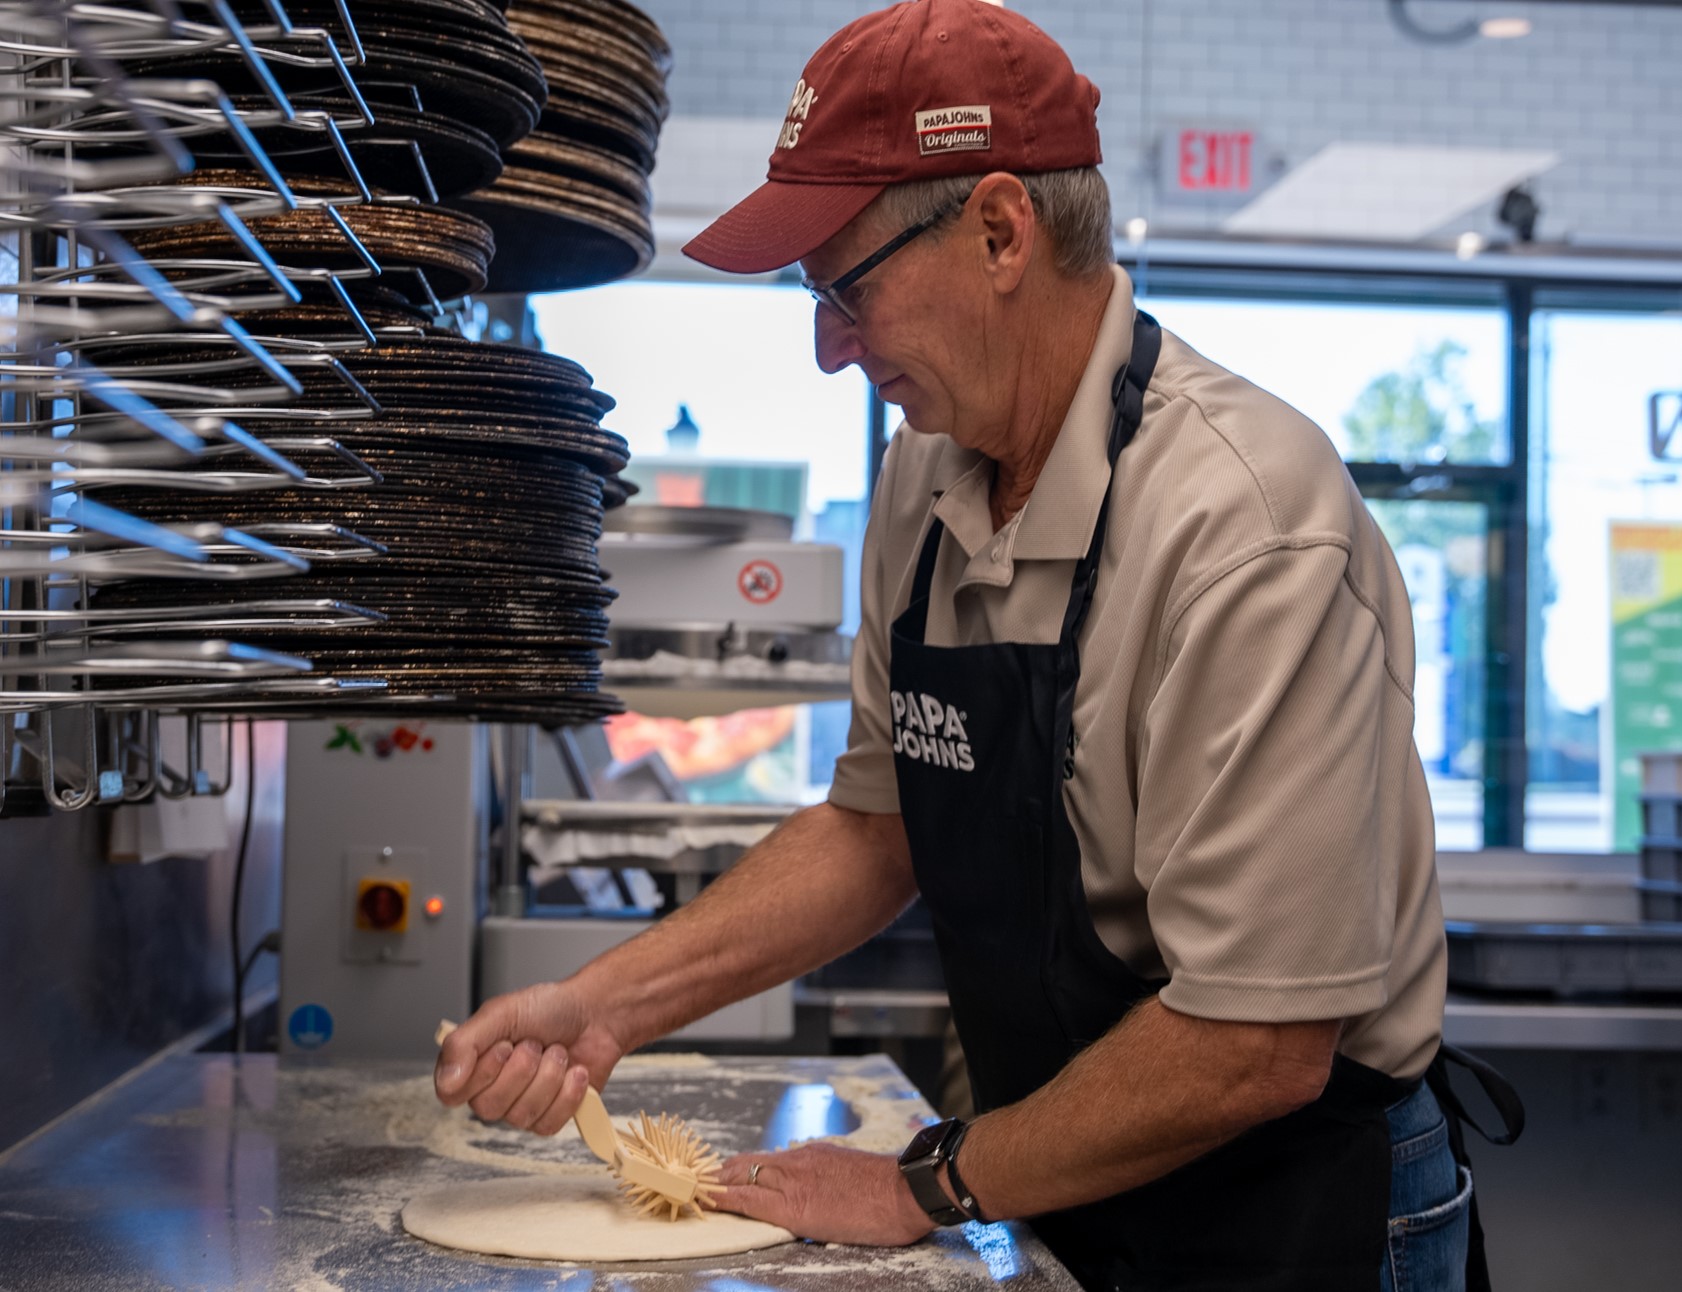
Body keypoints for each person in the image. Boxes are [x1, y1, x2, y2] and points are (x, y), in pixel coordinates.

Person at [436, 3, 1517, 1288]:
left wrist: (923, 1182)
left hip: (1295, 1202)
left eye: (846, 286)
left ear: (1000, 230)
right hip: (1068, 1169)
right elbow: (877, 824)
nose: (829, 346)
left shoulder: (1247, 531)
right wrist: (604, 1004)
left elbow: (1256, 1041)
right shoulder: (928, 481)